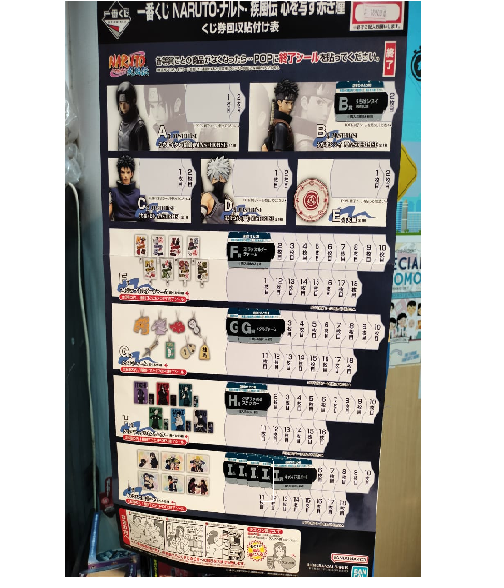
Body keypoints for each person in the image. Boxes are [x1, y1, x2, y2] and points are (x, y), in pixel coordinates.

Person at [290, 82, 334, 151]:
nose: (326, 113)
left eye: (329, 105)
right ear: (304, 103)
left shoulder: (294, 133)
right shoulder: (306, 145)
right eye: (319, 102)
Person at [261, 79, 299, 152]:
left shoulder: (280, 124)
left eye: (291, 103)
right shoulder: (280, 126)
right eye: (287, 103)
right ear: (279, 103)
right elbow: (278, 155)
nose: (290, 107)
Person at [116, 81, 150, 151]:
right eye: (121, 103)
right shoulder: (122, 124)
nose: (123, 107)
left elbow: (144, 155)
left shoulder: (139, 126)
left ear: (132, 102)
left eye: (126, 103)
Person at [109, 155, 144, 221]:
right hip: (118, 226)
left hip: (136, 226)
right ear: (119, 174)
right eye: (123, 172)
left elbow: (146, 216)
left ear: (132, 174)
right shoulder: (113, 192)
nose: (125, 176)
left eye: (128, 172)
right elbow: (107, 216)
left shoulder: (139, 193)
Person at [201, 157, 234, 224]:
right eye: (215, 178)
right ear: (211, 179)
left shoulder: (228, 199)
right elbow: (198, 220)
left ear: (225, 178)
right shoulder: (207, 197)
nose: (219, 181)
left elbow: (232, 223)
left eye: (221, 178)